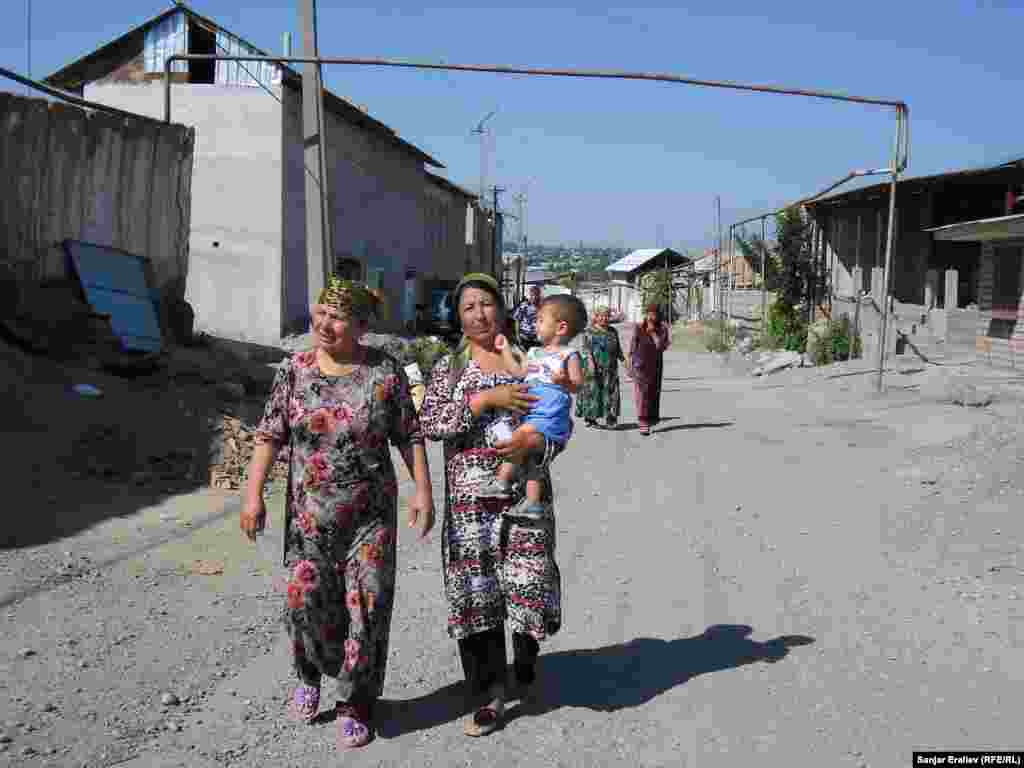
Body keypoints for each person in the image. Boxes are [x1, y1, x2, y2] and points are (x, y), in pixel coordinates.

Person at [240, 275, 435, 751]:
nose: (325, 324)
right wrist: (253, 494)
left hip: (370, 517)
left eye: (338, 317)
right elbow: (269, 434)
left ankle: (355, 702)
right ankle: (309, 674)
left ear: (361, 325)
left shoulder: (384, 372)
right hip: (310, 519)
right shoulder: (295, 370)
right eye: (321, 313)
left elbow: (408, 435)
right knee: (306, 604)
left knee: (366, 610)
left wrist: (423, 493)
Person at [419, 273, 563, 738]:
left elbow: (556, 420)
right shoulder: (448, 369)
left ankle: (524, 650)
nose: (479, 314)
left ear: (500, 309)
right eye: (468, 307)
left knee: (528, 583)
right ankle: (489, 693)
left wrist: (534, 449)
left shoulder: (527, 360)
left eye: (486, 304)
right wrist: (484, 400)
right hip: (469, 505)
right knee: (477, 595)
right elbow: (433, 423)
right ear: (457, 317)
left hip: (522, 493)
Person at [476, 294, 586, 515]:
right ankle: (533, 501)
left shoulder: (569, 355)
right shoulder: (534, 352)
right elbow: (517, 372)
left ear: (561, 327)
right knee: (531, 459)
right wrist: (504, 349)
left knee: (516, 440)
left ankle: (502, 481)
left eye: (540, 320)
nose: (535, 324)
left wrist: (563, 380)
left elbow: (578, 385)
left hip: (548, 416)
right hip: (531, 414)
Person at [575, 305, 625, 430]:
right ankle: (591, 419)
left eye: (607, 315)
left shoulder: (613, 331)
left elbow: (618, 349)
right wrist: (591, 363)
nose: (604, 318)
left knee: (612, 393)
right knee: (593, 392)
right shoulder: (588, 332)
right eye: (601, 316)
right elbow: (586, 350)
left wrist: (625, 361)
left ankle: (611, 419)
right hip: (594, 367)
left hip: (610, 368)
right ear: (596, 317)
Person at [628, 303, 672, 436]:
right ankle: (643, 421)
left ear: (658, 315)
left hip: (655, 365)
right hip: (640, 365)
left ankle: (649, 419)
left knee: (653, 393)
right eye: (649, 313)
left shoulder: (663, 328)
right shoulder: (639, 327)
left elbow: (661, 346)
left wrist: (653, 332)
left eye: (654, 313)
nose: (651, 316)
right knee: (642, 393)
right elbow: (633, 346)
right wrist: (630, 364)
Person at [512, 284, 543, 350]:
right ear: (529, 295)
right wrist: (517, 336)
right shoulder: (524, 306)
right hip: (524, 338)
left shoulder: (543, 307)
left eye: (536, 295)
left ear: (539, 295)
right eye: (532, 295)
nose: (534, 297)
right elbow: (517, 320)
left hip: (537, 339)